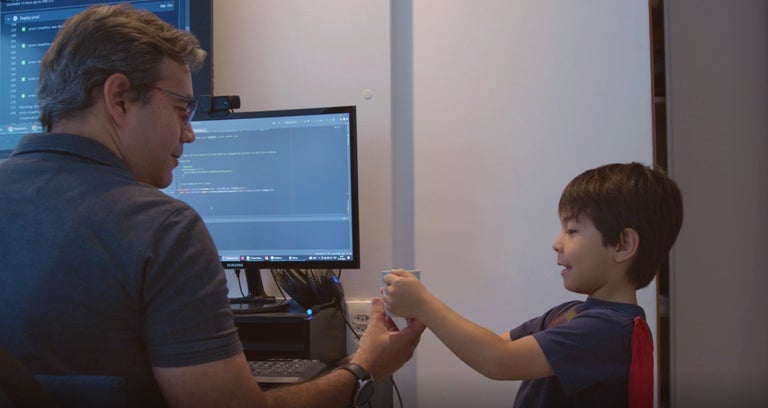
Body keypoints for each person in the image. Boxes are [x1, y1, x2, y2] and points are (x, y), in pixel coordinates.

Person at [0, 4, 424, 407]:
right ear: (120, 98)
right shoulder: (161, 228)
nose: (190, 134)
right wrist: (364, 368)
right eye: (182, 110)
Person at [383, 162, 684, 407]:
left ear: (622, 244)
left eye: (573, 230)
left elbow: (497, 361)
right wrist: (422, 317)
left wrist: (425, 304)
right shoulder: (572, 314)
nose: (556, 243)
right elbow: (495, 345)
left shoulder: (607, 331)